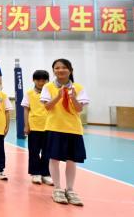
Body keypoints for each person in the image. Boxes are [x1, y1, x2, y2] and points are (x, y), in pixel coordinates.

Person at [40, 59, 89, 206]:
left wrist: (73, 97)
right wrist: (58, 96)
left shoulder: (78, 88)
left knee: (72, 160)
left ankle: (70, 189)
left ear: (70, 70)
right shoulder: (48, 87)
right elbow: (47, 107)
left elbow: (79, 109)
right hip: (54, 127)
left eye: (64, 67)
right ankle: (57, 189)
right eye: (57, 68)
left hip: (73, 128)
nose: (60, 70)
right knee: (54, 159)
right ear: (53, 71)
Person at [22, 70, 53, 185]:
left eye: (44, 80)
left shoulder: (51, 93)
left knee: (47, 152)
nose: (41, 82)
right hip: (34, 127)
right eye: (38, 80)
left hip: (49, 126)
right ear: (33, 80)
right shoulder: (29, 93)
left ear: (47, 81)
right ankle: (35, 173)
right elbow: (26, 109)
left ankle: (46, 174)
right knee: (34, 151)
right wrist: (26, 125)